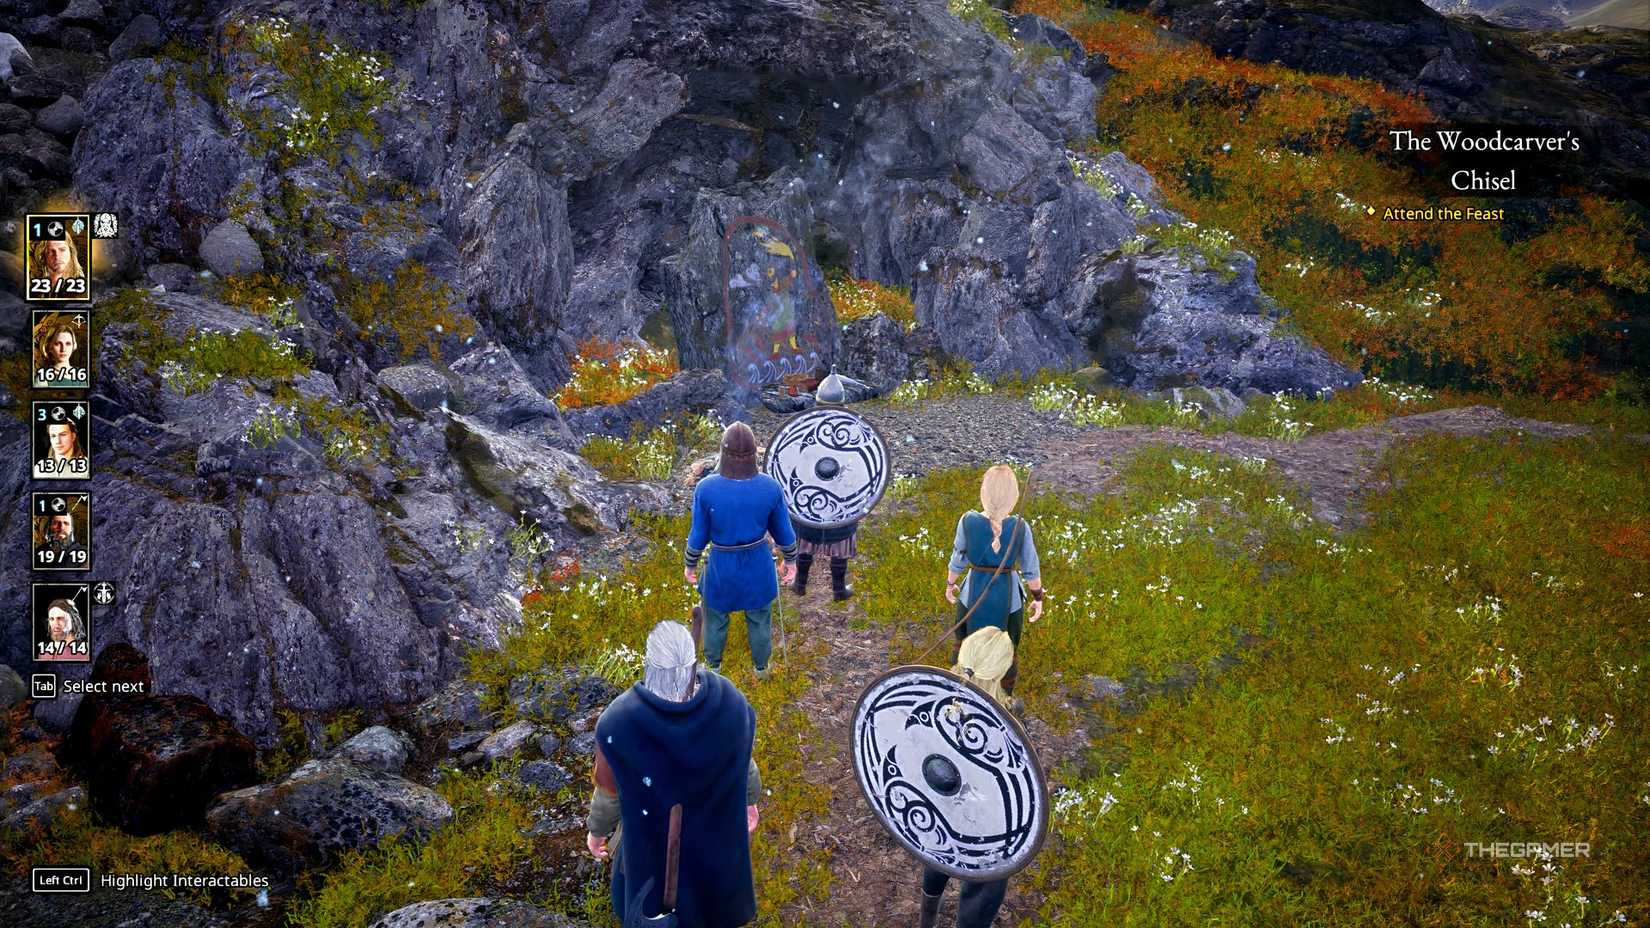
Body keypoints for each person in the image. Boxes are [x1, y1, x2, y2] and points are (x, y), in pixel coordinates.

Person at [586, 621, 762, 927]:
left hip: (652, 844)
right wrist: (749, 802)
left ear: (650, 665)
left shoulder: (619, 722)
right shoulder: (729, 703)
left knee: (653, 897)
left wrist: (597, 832)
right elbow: (744, 766)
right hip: (712, 831)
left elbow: (608, 793)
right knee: (707, 891)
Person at [917, 627, 1019, 928]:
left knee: (937, 843)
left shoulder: (933, 705)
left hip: (936, 813)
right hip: (984, 830)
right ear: (1003, 672)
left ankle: (927, 920)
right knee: (990, 877)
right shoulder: (1007, 731)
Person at [684, 421, 798, 679]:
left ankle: (713, 670)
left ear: (723, 453)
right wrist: (790, 560)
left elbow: (698, 534)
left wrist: (690, 564)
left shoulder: (706, 488)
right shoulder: (770, 487)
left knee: (715, 618)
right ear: (752, 454)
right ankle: (762, 670)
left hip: (721, 565)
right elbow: (784, 532)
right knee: (759, 618)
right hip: (758, 563)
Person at [942, 465, 1045, 695]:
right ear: (1013, 496)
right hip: (1009, 602)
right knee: (1005, 650)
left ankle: (963, 692)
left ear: (984, 492)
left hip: (972, 595)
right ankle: (1002, 699)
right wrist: (1038, 597)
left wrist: (950, 584)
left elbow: (958, 557)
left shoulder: (968, 521)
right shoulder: (1020, 526)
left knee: (966, 645)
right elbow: (1031, 567)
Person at [789, 373, 862, 602]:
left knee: (806, 540)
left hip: (817, 494)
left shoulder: (806, 426)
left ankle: (801, 585)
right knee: (833, 542)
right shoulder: (851, 429)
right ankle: (836, 590)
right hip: (829, 493)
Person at [33, 318, 82, 386]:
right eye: (57, 344)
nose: (63, 349)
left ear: (73, 346)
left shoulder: (82, 375)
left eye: (68, 344)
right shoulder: (43, 378)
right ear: (50, 347)